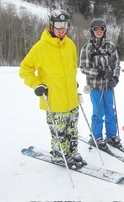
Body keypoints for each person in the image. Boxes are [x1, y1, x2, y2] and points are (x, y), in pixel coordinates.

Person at [19, 9, 86, 170]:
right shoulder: (40, 47)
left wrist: (73, 82)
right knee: (59, 131)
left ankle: (72, 151)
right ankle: (59, 154)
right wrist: (37, 85)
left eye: (66, 25)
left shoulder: (70, 44)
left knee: (72, 128)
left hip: (71, 98)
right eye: (59, 25)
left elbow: (71, 68)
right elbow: (25, 69)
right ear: (51, 26)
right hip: (54, 99)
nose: (62, 29)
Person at [79, 18, 121, 150]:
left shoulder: (110, 46)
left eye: (101, 29)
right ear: (92, 31)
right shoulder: (87, 47)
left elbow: (116, 64)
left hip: (108, 86)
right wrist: (99, 72)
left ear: (104, 30)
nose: (98, 31)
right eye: (96, 29)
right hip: (95, 86)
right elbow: (83, 67)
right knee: (98, 111)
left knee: (110, 111)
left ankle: (111, 135)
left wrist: (115, 77)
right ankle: (96, 136)